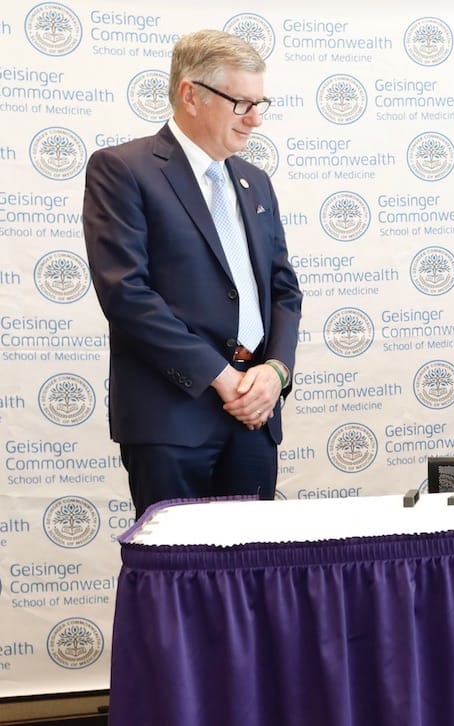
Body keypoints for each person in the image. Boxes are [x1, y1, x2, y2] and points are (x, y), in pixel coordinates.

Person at [82, 30, 302, 515]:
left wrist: (275, 372)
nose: (256, 118)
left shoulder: (255, 181)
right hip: (172, 419)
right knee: (178, 579)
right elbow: (126, 294)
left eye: (260, 102)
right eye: (242, 103)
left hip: (255, 417)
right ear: (191, 95)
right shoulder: (123, 170)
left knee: (252, 578)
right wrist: (221, 378)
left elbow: (284, 291)